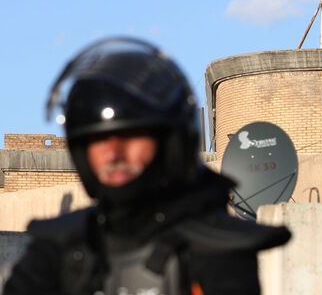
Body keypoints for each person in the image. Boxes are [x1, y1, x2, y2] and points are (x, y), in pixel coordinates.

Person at [4, 37, 291, 295]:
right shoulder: (62, 245)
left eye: (131, 135)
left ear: (169, 143)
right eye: (98, 139)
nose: (113, 153)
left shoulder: (215, 247)